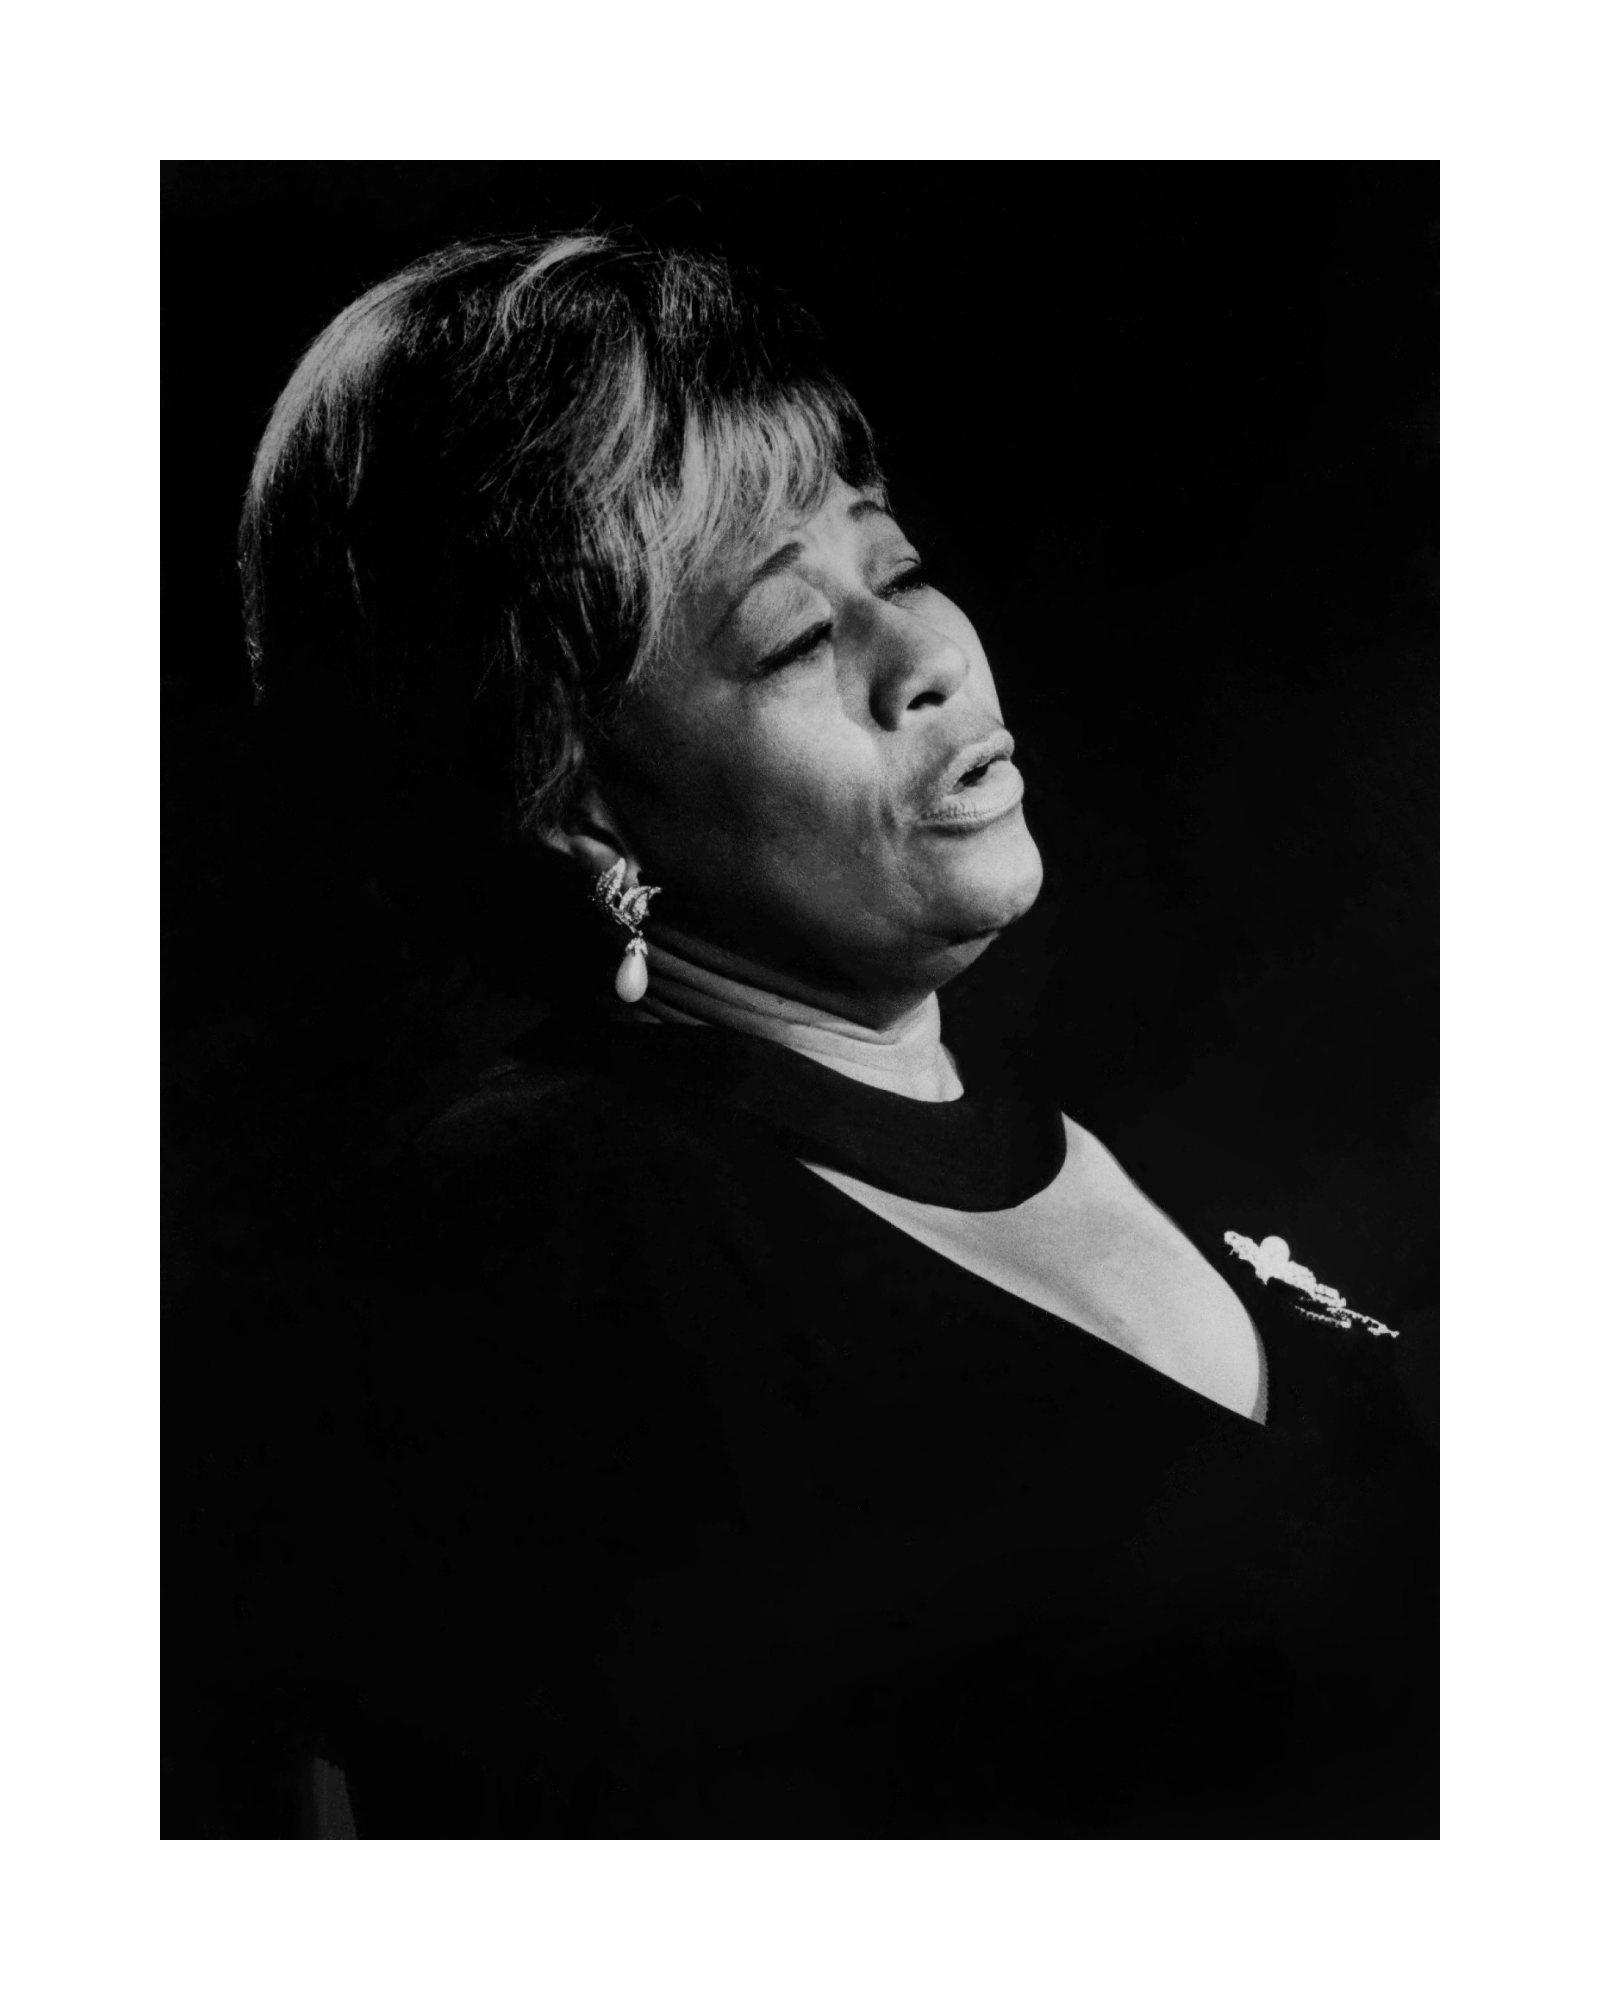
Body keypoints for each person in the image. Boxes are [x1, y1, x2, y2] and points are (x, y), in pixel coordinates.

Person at [237, 229, 1436, 1835]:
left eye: (902, 567)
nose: (927, 660)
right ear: (577, 802)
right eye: (800, 639)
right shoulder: (524, 1252)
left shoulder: (1140, 1097)